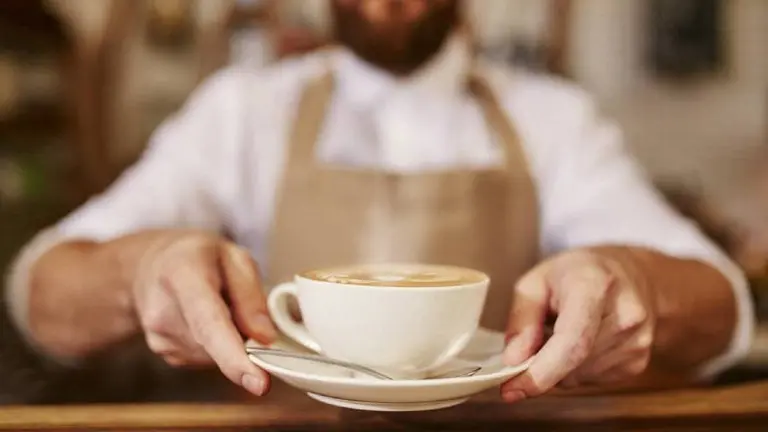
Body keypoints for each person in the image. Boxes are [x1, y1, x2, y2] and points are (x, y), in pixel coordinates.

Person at [3, 0, 754, 403]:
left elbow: (722, 302)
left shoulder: (553, 117)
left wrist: (639, 286)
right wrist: (143, 271)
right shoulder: (241, 111)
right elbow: (41, 290)